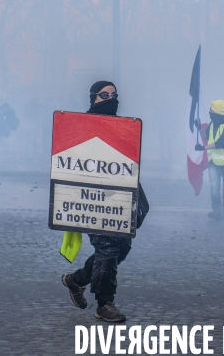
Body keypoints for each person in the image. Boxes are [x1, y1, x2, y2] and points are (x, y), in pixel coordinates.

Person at [61, 81, 132, 323]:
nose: (111, 98)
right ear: (94, 98)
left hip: (116, 200)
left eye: (114, 94)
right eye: (105, 94)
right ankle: (104, 304)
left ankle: (77, 280)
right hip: (90, 201)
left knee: (121, 248)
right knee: (108, 249)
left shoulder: (121, 127)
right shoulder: (80, 127)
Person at [195, 100, 224, 220]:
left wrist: (204, 147)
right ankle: (217, 212)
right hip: (214, 163)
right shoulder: (212, 125)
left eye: (212, 110)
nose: (210, 113)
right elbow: (207, 136)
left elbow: (222, 143)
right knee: (215, 189)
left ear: (217, 112)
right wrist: (199, 128)